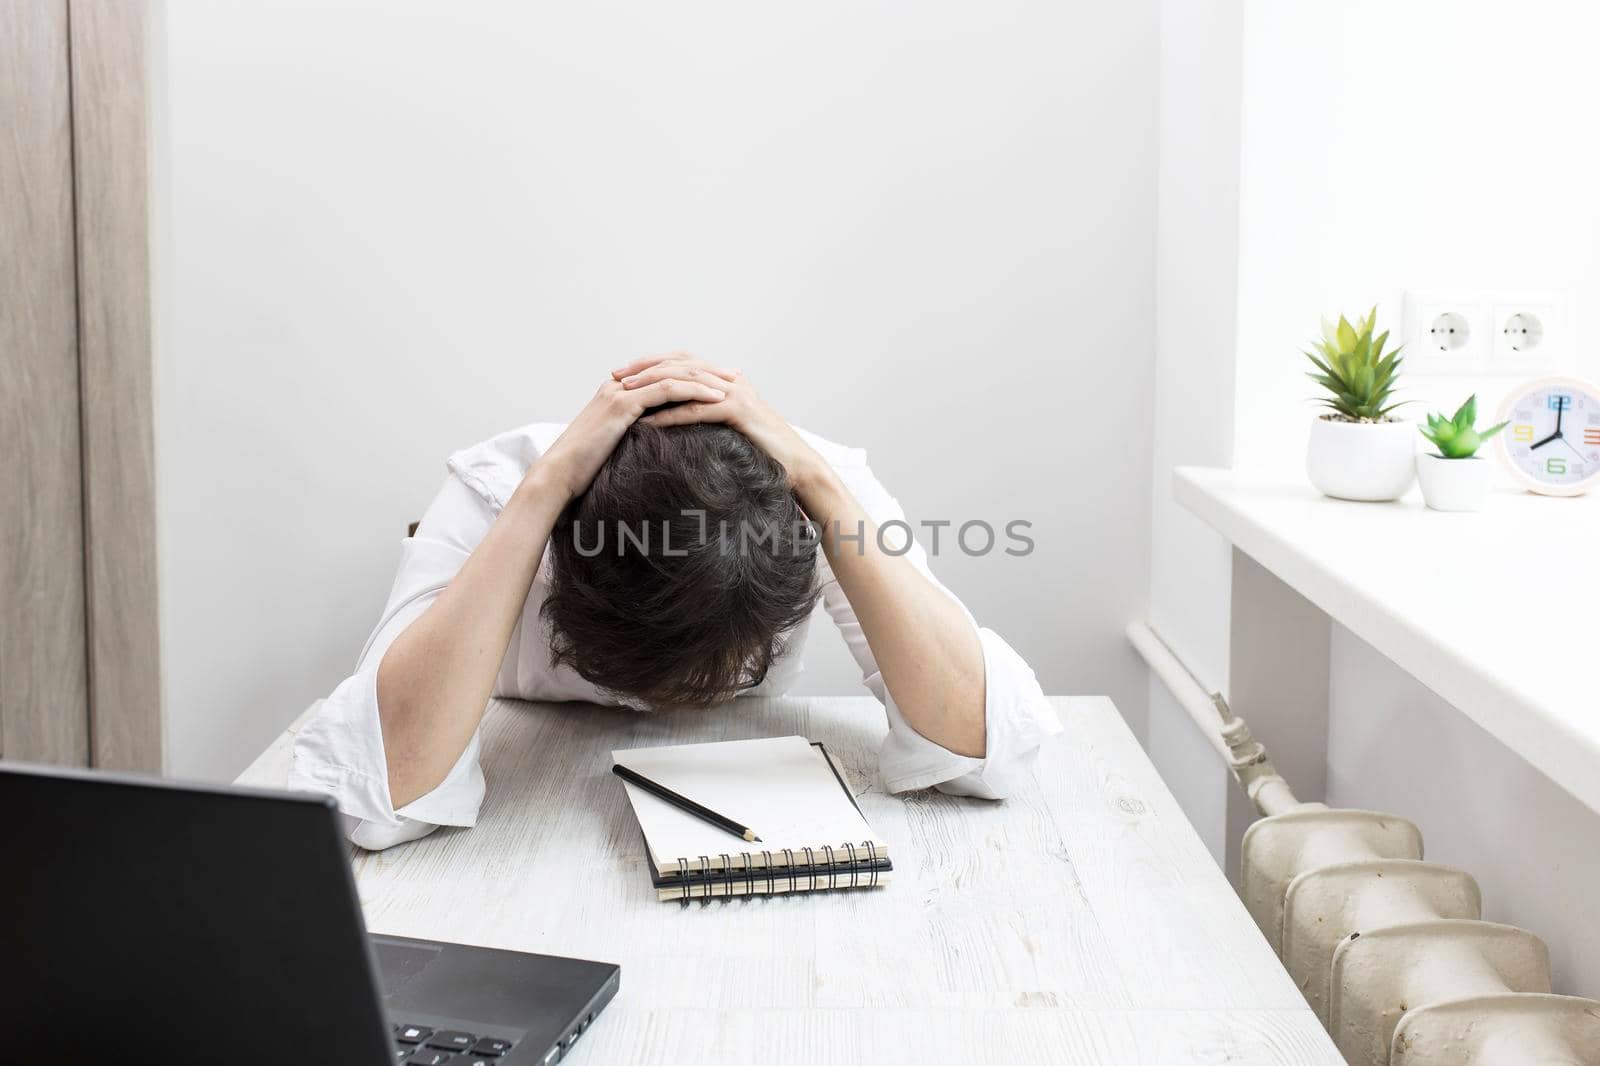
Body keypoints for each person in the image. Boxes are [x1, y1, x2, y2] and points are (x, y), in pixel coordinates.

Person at [289, 353, 1061, 850]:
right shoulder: (499, 489)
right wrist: (542, 494)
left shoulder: (805, 497)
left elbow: (983, 747)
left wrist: (823, 484)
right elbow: (377, 792)